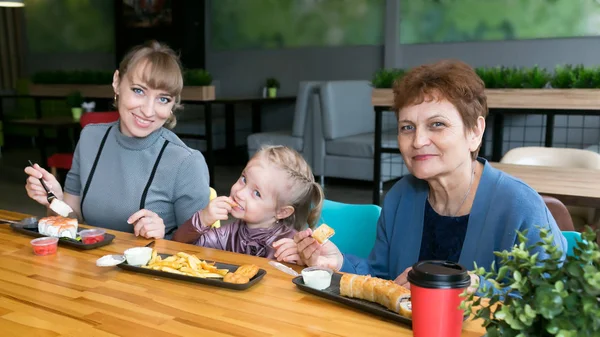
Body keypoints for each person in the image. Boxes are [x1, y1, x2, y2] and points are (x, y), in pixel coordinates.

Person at [294, 59, 567, 292]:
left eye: (437, 124)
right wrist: (338, 263)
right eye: (407, 127)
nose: (418, 140)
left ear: (475, 132)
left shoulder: (519, 205)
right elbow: (382, 279)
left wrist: (471, 286)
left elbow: (553, 302)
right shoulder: (401, 196)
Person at [25, 40, 210, 239]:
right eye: (139, 91)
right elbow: (73, 221)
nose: (148, 111)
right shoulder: (90, 138)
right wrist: (55, 200)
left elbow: (204, 250)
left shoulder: (186, 162)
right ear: (117, 82)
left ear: (173, 104)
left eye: (163, 99)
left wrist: (164, 239)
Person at [173, 145, 324, 264]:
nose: (240, 193)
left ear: (282, 212)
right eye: (244, 179)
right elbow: (178, 248)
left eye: (257, 193)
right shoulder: (227, 234)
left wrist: (303, 262)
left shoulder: (291, 245)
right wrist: (202, 219)